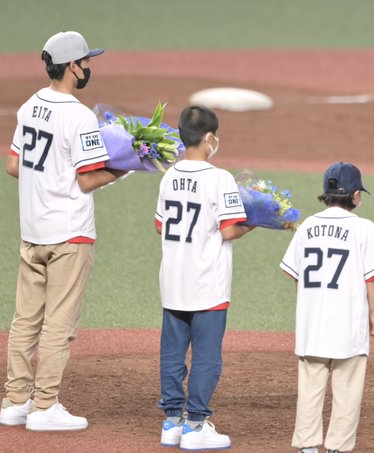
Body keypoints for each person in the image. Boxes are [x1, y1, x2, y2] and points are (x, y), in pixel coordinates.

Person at [0, 31, 127, 431]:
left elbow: (14, 166)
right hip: (69, 233)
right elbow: (88, 179)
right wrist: (125, 169)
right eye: (85, 61)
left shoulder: (29, 106)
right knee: (58, 324)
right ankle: (44, 406)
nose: (88, 67)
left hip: (32, 230)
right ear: (72, 66)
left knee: (25, 320)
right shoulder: (79, 115)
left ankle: (15, 401)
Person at [154, 105, 254, 450]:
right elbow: (229, 230)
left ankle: (172, 422)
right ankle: (196, 425)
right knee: (206, 357)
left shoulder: (169, 176)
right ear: (210, 137)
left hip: (173, 281)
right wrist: (255, 223)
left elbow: (159, 226)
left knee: (172, 352)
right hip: (207, 282)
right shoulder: (219, 178)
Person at [280, 162, 374, 453]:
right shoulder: (364, 228)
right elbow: (372, 277)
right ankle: (338, 447)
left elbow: (296, 274)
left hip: (312, 324)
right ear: (355, 195)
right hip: (348, 324)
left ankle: (307, 447)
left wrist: (310, 305)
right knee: (348, 388)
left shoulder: (307, 226)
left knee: (310, 386)